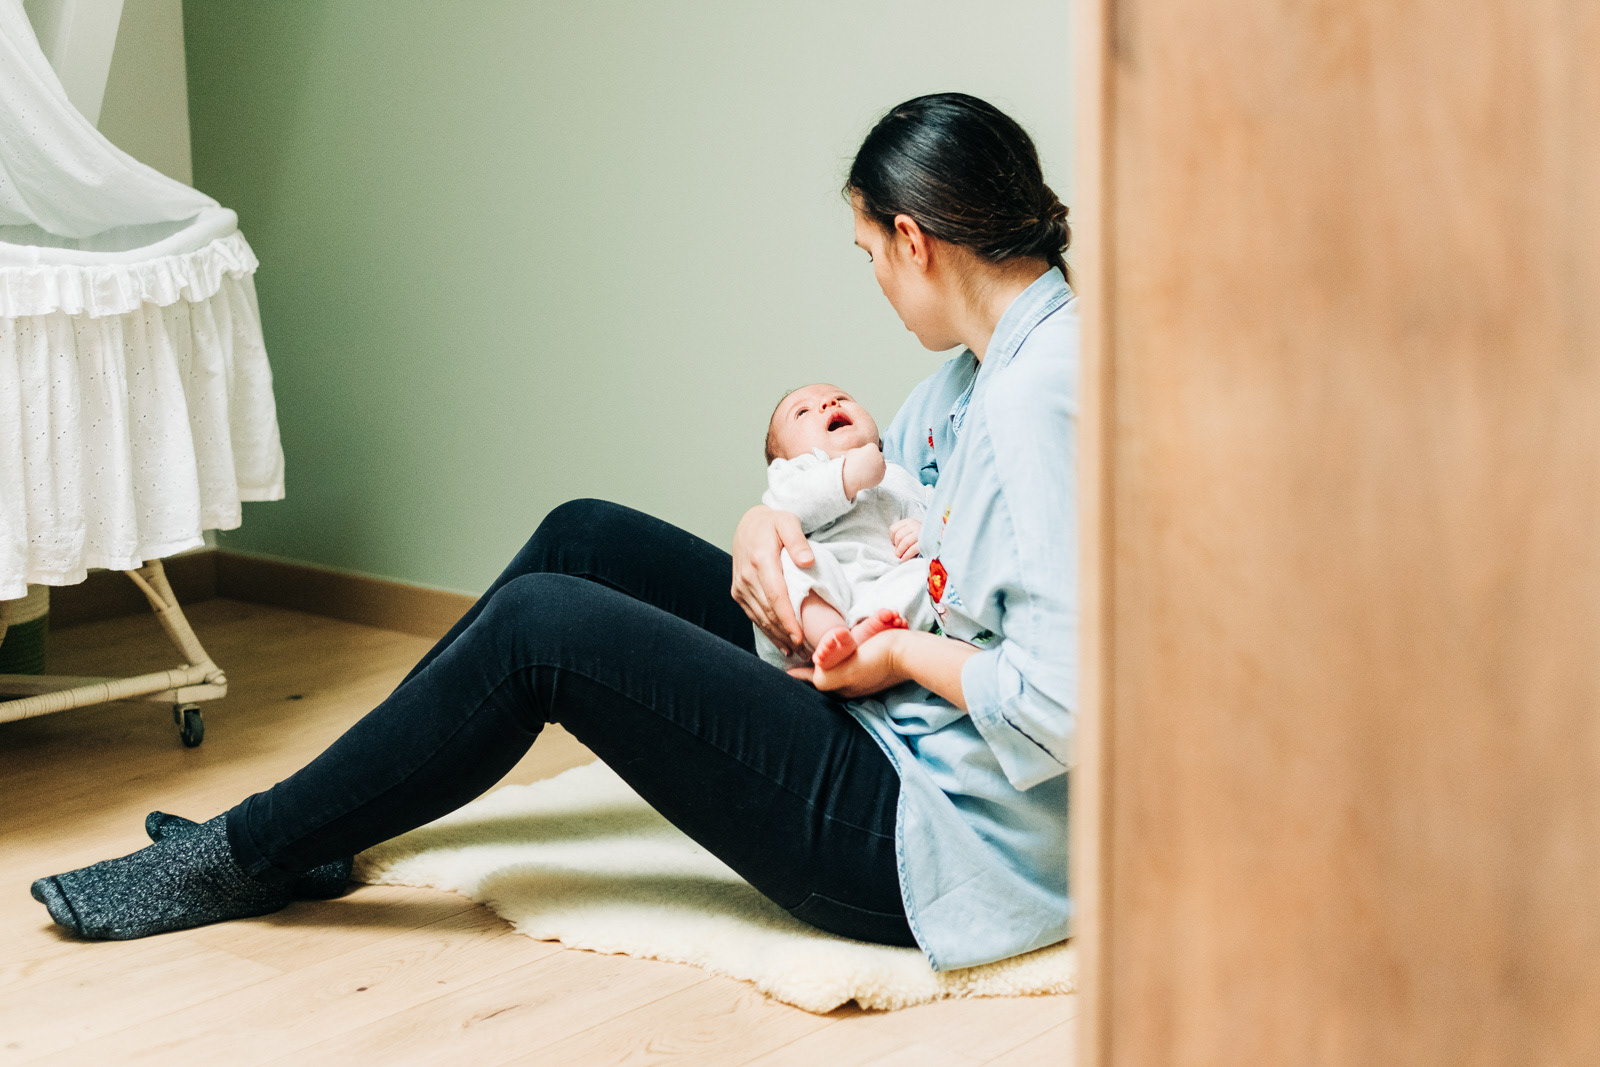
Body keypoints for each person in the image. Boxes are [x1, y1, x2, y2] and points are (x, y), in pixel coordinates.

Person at [31, 91, 1075, 973]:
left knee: (545, 625)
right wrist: (765, 521)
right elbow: (882, 497)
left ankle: (245, 853)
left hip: (923, 834)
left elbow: (1064, 706)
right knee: (583, 536)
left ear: (912, 239)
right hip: (882, 712)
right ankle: (322, 822)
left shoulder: (1039, 401)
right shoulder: (978, 372)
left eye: (870, 254)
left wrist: (893, 655)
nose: (877, 281)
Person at [755, 382, 932, 673]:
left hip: (886, 588)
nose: (829, 403)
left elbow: (951, 520)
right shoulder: (795, 473)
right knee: (792, 560)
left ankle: (865, 633)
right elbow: (787, 505)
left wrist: (926, 531)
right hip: (821, 593)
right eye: (802, 412)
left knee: (926, 574)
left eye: (841, 398)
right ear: (784, 457)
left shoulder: (902, 477)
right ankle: (830, 635)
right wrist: (848, 475)